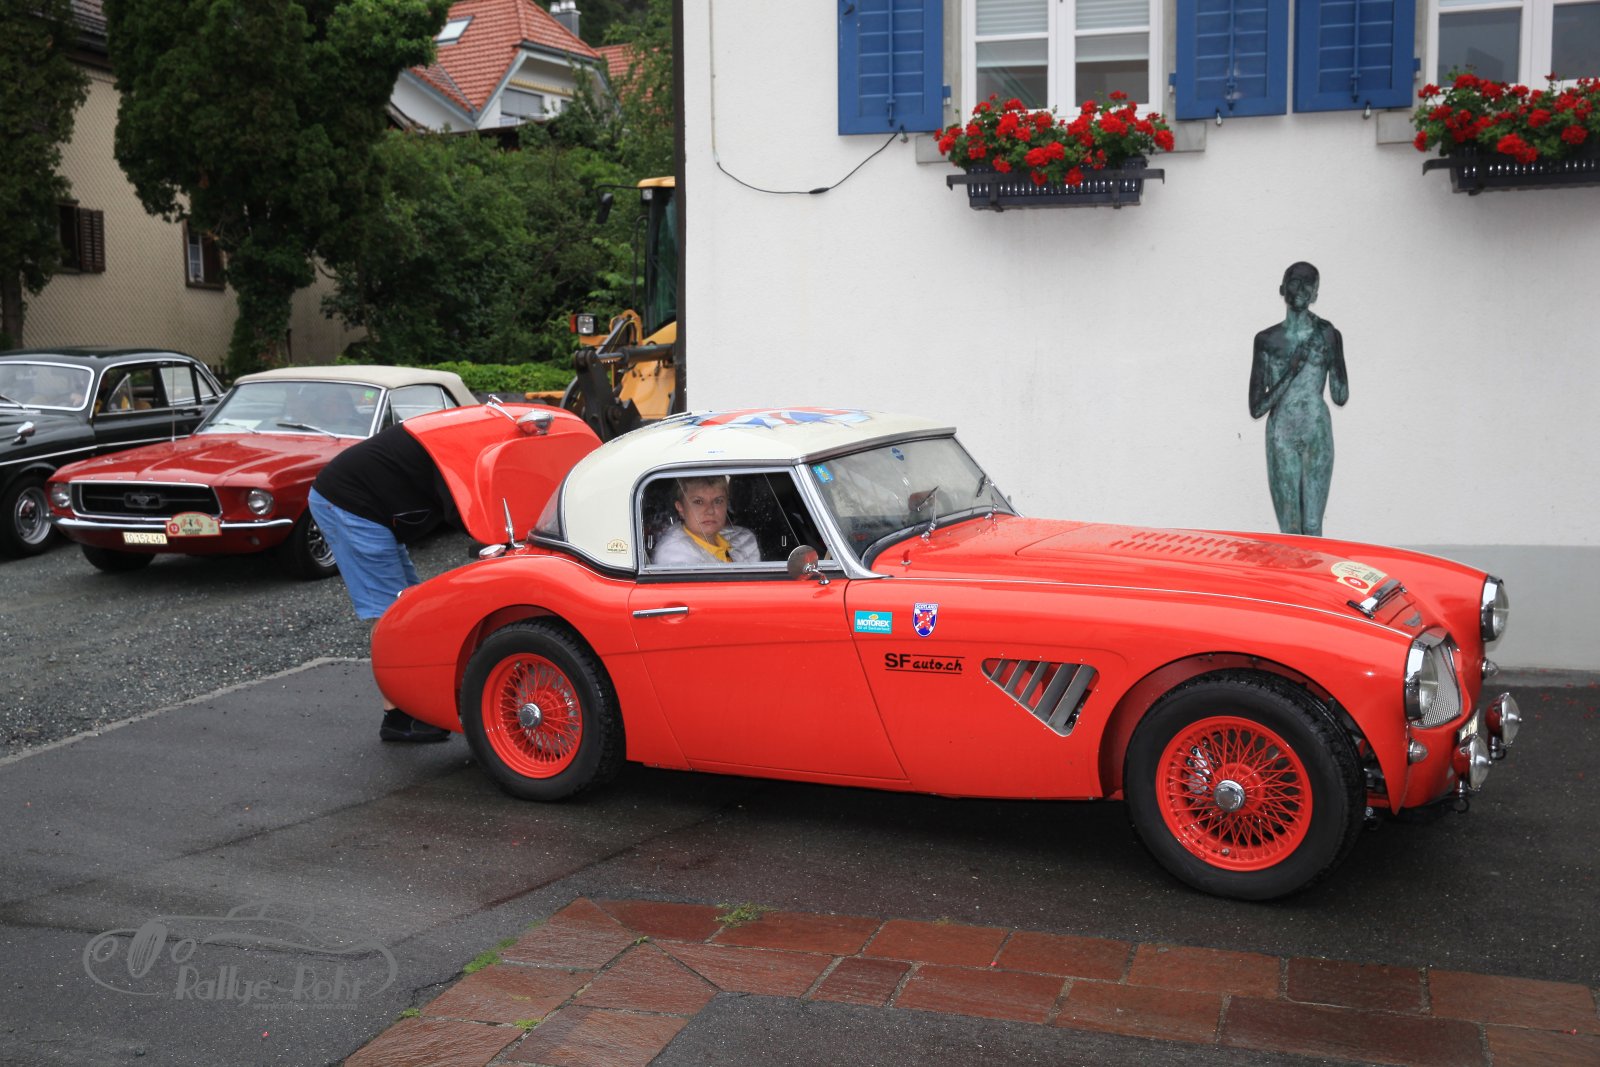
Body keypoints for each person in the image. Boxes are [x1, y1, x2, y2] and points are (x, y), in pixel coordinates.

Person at [308, 421, 458, 742]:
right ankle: (398, 716)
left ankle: (419, 701)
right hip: (349, 502)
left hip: (372, 502)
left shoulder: (470, 438)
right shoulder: (461, 454)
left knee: (411, 604)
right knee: (391, 612)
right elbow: (462, 511)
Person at [1249, 261, 1349, 537]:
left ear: (1315, 294)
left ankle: (1314, 567)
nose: (1302, 290)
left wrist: (1334, 348)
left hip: (1316, 431)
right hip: (1281, 435)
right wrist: (1291, 371)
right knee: (1291, 528)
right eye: (1295, 282)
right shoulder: (1267, 340)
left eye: (1309, 285)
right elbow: (1256, 408)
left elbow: (1340, 396)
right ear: (1282, 289)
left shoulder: (1327, 334)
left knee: (1314, 526)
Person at [649, 475, 760, 566]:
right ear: (681, 508)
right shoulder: (674, 555)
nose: (710, 510)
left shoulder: (744, 539)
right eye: (698, 502)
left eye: (718, 501)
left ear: (727, 504)